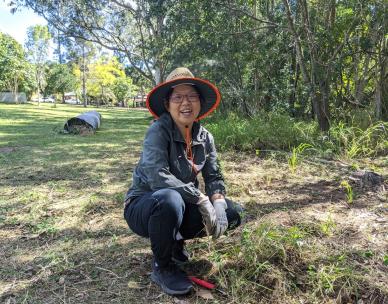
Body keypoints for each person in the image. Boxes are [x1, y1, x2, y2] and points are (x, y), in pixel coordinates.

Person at [123, 67, 242, 295]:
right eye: (178, 97)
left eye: (192, 96)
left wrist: (217, 201)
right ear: (168, 104)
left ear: (199, 102)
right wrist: (200, 197)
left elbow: (214, 176)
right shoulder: (158, 131)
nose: (185, 102)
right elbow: (158, 177)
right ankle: (163, 267)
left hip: (181, 205)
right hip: (145, 207)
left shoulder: (205, 137)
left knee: (234, 212)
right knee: (169, 198)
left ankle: (175, 243)